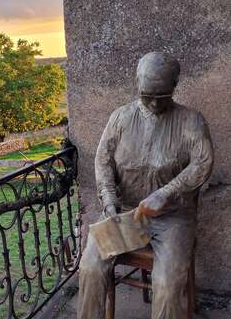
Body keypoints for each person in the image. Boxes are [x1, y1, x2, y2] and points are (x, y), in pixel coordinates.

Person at [76, 52, 214, 319]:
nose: (152, 103)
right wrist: (108, 197)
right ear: (137, 83)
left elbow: (203, 163)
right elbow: (102, 161)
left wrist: (166, 193)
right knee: (91, 267)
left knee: (166, 283)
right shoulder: (121, 118)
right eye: (146, 95)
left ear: (175, 85)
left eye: (160, 97)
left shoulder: (191, 121)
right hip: (125, 213)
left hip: (173, 217)